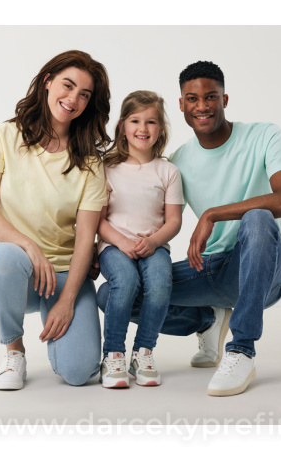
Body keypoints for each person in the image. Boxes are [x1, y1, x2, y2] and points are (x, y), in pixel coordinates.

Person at [97, 61, 281, 396]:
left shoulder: (265, 135)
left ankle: (242, 350)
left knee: (258, 217)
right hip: (211, 271)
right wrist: (106, 246)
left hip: (264, 273)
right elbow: (146, 208)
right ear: (181, 105)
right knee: (113, 294)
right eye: (192, 98)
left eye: (211, 97)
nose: (202, 106)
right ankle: (207, 319)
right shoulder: (176, 163)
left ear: (225, 99)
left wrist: (212, 215)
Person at [0, 50, 111, 390]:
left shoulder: (90, 162)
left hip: (66, 274)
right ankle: (14, 350)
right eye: (68, 85)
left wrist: (67, 302)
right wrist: (29, 247)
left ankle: (63, 326)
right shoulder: (2, 137)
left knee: (79, 373)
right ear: (47, 81)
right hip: (18, 272)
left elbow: (85, 238)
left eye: (84, 94)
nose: (73, 99)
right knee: (3, 257)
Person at [97, 91, 183, 388]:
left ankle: (143, 352)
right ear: (122, 126)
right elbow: (98, 221)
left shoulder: (168, 171)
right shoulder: (107, 168)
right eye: (135, 121)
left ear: (161, 129)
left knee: (160, 284)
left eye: (151, 122)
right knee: (126, 281)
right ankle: (113, 355)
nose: (142, 128)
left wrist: (155, 241)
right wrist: (121, 243)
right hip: (114, 245)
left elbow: (174, 221)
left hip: (153, 246)